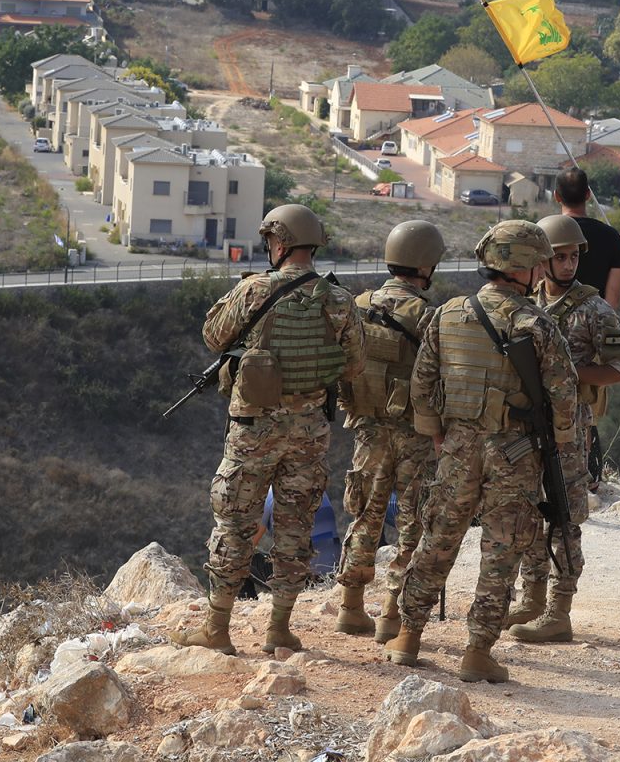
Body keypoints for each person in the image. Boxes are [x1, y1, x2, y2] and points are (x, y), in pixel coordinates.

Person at [383, 220, 578, 683]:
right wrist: (559, 443)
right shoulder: (536, 324)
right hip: (515, 451)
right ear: (525, 267)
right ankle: (477, 652)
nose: (542, 271)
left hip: (457, 446)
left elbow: (422, 384)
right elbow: (564, 395)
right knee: (500, 550)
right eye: (539, 263)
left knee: (437, 538)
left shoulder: (448, 314)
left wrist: (438, 436)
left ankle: (408, 636)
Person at [173, 204, 365, 657]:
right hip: (309, 433)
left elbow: (213, 336)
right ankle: (279, 629)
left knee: (236, 524)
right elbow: (355, 365)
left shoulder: (254, 290)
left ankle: (217, 628)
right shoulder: (339, 301)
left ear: (279, 243)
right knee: (296, 528)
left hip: (253, 430)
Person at [501, 215, 620, 643]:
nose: (570, 264)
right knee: (527, 512)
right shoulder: (522, 302)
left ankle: (559, 610)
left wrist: (563, 373)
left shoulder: (594, 309)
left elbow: (617, 370)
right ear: (541, 260)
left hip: (569, 429)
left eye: (574, 257)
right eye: (561, 257)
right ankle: (532, 599)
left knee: (564, 516)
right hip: (526, 426)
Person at [332, 220, 446, 643]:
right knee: (413, 523)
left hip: (367, 428)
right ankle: (391, 615)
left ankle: (350, 607)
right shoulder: (428, 317)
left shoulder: (358, 305)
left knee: (365, 514)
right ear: (426, 265)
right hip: (416, 433)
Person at [555, 166, 620, 308]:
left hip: (550, 318)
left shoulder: (545, 233)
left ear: (556, 196)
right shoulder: (611, 236)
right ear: (588, 194)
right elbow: (613, 297)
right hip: (595, 317)